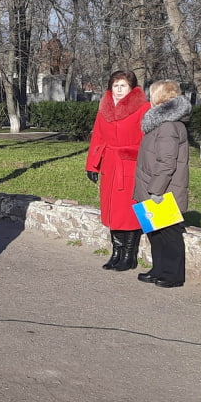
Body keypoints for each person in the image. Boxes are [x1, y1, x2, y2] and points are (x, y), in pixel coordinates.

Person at [85, 70, 150, 271]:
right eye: (115, 85)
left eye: (123, 85)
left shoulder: (143, 108)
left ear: (132, 88)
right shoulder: (104, 107)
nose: (119, 90)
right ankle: (116, 251)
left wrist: (136, 156)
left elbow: (147, 139)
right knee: (112, 210)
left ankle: (129, 255)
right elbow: (98, 136)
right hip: (110, 165)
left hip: (131, 165)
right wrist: (92, 164)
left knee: (129, 211)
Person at [132, 80, 191, 288]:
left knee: (169, 233)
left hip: (163, 190)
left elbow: (167, 162)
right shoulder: (160, 123)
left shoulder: (168, 126)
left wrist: (156, 189)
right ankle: (159, 269)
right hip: (150, 186)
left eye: (152, 94)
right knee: (155, 232)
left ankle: (172, 274)